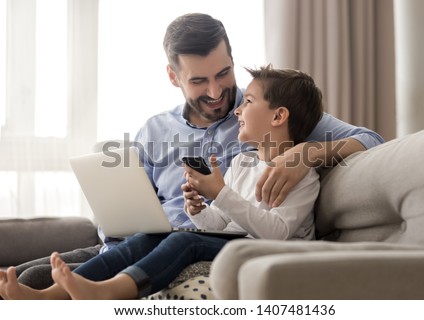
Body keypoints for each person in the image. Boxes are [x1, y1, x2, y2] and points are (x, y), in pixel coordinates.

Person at [11, 12, 384, 291]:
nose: (217, 91)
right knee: (30, 277)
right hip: (139, 244)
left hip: (199, 247)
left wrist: (303, 156)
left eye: (223, 73)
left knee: (41, 278)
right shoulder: (155, 129)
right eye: (199, 80)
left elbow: (372, 141)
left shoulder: (268, 113)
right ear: (174, 77)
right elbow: (125, 211)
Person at [0, 64, 325, 299]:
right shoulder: (244, 160)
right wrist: (199, 209)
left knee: (187, 242)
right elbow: (224, 222)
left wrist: (221, 193)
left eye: (249, 102)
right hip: (236, 241)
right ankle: (55, 294)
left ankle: (113, 290)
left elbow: (277, 233)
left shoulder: (302, 172)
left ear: (279, 117)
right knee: (152, 236)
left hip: (267, 250)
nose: (239, 109)